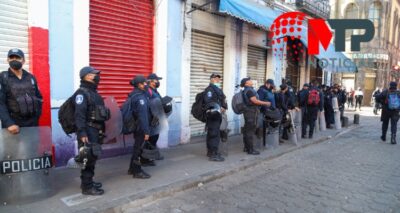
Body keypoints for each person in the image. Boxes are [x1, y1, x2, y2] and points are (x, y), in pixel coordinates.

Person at [74, 66, 110, 195]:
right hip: (88, 131)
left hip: (95, 130)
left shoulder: (93, 92)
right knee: (87, 158)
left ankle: (89, 181)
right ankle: (87, 187)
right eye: (94, 74)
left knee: (93, 157)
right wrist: (82, 132)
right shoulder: (81, 93)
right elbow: (79, 115)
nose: (97, 76)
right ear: (87, 76)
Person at [0, 48, 43, 133]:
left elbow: (39, 97)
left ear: (23, 61)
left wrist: (37, 116)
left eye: (18, 57)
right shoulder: (3, 77)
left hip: (32, 124)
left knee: (32, 146)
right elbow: (1, 103)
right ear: (8, 60)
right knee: (13, 147)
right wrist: (9, 123)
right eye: (12, 57)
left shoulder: (31, 77)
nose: (14, 59)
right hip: (13, 125)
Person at [127, 75, 152, 179]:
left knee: (137, 147)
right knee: (139, 149)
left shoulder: (135, 95)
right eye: (144, 83)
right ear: (139, 85)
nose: (146, 84)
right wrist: (146, 131)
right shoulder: (139, 98)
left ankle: (132, 168)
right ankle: (137, 171)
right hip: (140, 127)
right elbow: (143, 117)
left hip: (137, 126)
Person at [241, 77, 271, 155]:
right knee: (250, 131)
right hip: (251, 112)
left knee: (247, 130)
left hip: (248, 112)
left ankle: (246, 147)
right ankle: (250, 150)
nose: (251, 81)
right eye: (249, 80)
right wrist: (265, 103)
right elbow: (254, 101)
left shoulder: (247, 90)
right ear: (246, 83)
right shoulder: (249, 90)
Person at [140, 73, 164, 167]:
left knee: (155, 137)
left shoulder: (155, 90)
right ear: (150, 82)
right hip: (150, 119)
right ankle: (144, 159)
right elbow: (148, 104)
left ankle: (152, 155)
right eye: (156, 80)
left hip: (156, 118)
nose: (158, 82)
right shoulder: (147, 91)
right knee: (149, 139)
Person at [203, 73, 227, 161]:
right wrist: (219, 107)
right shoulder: (209, 90)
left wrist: (223, 107)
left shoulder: (216, 89)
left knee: (212, 133)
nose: (218, 80)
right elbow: (208, 101)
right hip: (213, 114)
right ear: (211, 79)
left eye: (219, 79)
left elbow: (222, 99)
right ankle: (213, 154)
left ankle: (211, 152)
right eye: (216, 78)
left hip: (217, 114)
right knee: (214, 134)